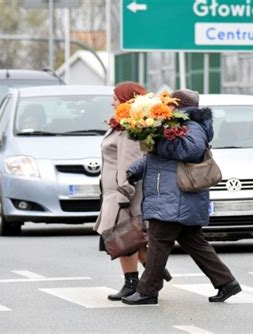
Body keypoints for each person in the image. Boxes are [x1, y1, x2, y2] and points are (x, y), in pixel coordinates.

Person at [122, 89, 241, 305]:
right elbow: (160, 159)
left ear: (179, 105)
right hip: (172, 194)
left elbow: (190, 151)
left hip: (177, 195)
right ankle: (226, 282)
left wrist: (159, 139)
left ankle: (148, 290)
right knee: (194, 243)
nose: (167, 106)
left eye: (171, 103)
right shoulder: (173, 125)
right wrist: (136, 169)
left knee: (159, 241)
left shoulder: (193, 126)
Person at [94, 81, 171, 301]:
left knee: (124, 239)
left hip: (122, 194)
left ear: (127, 101)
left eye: (116, 98)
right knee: (130, 239)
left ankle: (134, 282)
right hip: (115, 192)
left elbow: (127, 166)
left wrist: (122, 195)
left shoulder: (129, 130)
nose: (112, 102)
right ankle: (153, 271)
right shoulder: (121, 125)